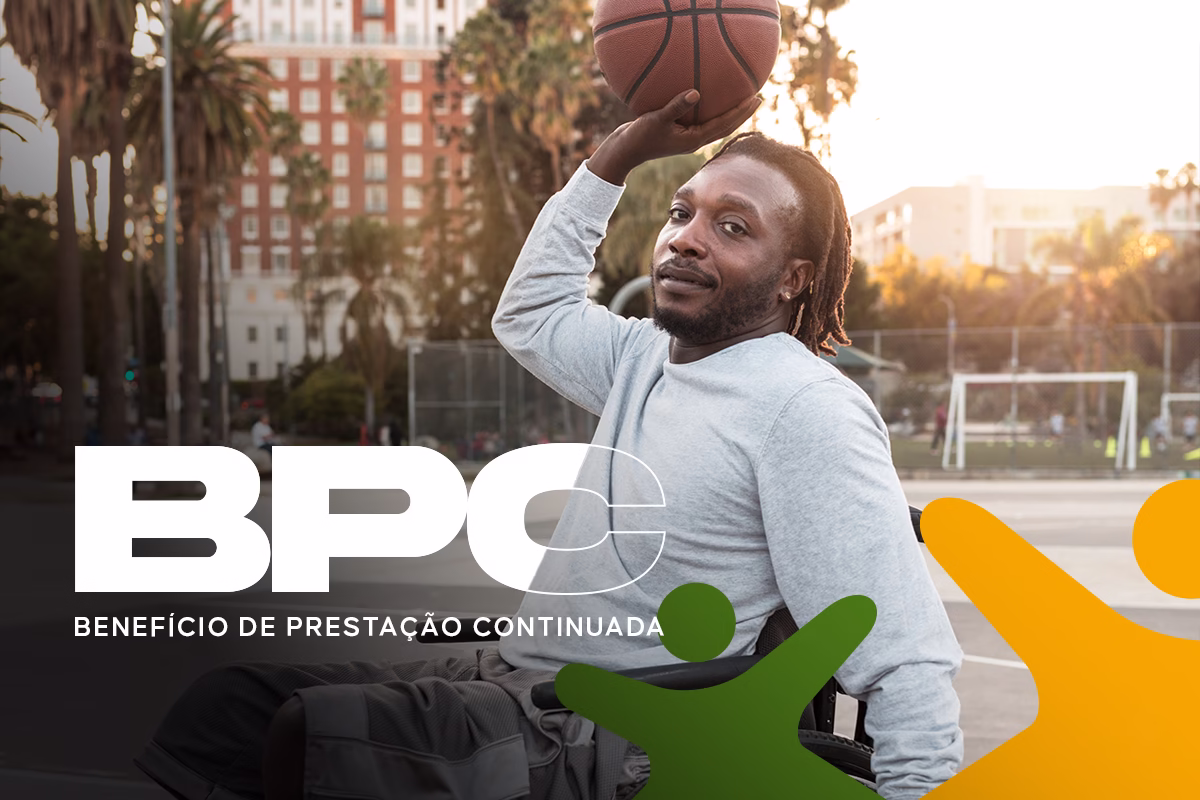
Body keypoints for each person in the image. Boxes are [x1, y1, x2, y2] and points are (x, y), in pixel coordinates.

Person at [135, 90, 961, 800]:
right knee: (227, 706)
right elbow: (527, 314)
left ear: (793, 278)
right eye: (682, 212)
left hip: (611, 730)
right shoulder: (647, 358)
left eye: (732, 227)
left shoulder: (805, 407)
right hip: (512, 679)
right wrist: (618, 156)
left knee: (305, 738)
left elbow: (902, 654)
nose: (685, 237)